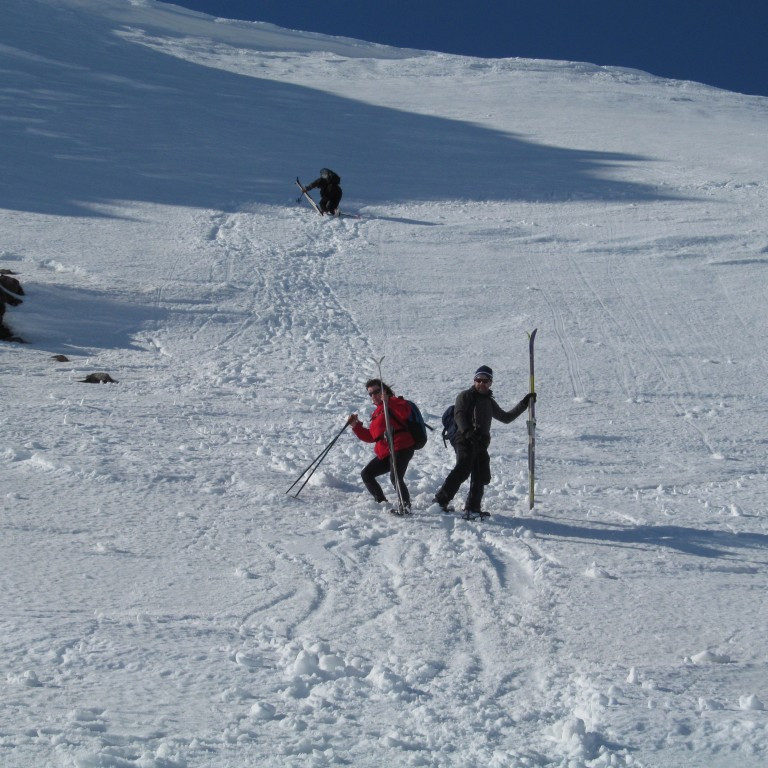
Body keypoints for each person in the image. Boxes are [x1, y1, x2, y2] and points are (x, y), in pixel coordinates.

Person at [433, 365, 535, 518]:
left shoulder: (489, 402)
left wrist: (524, 403)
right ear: (474, 381)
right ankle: (440, 501)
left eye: (485, 380)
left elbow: (506, 418)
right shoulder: (465, 396)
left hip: (480, 442)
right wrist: (467, 432)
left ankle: (473, 508)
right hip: (464, 438)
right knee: (463, 467)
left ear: (490, 382)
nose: (481, 383)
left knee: (481, 474)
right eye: (478, 380)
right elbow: (458, 414)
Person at [347, 379, 415, 512]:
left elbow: (405, 412)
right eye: (370, 394)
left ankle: (405, 506)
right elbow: (372, 437)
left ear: (385, 391)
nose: (373, 396)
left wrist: (388, 401)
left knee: (395, 477)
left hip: (401, 446)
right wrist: (356, 426)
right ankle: (381, 502)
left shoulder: (395, 402)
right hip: (386, 451)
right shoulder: (377, 412)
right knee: (367, 474)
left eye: (376, 392)